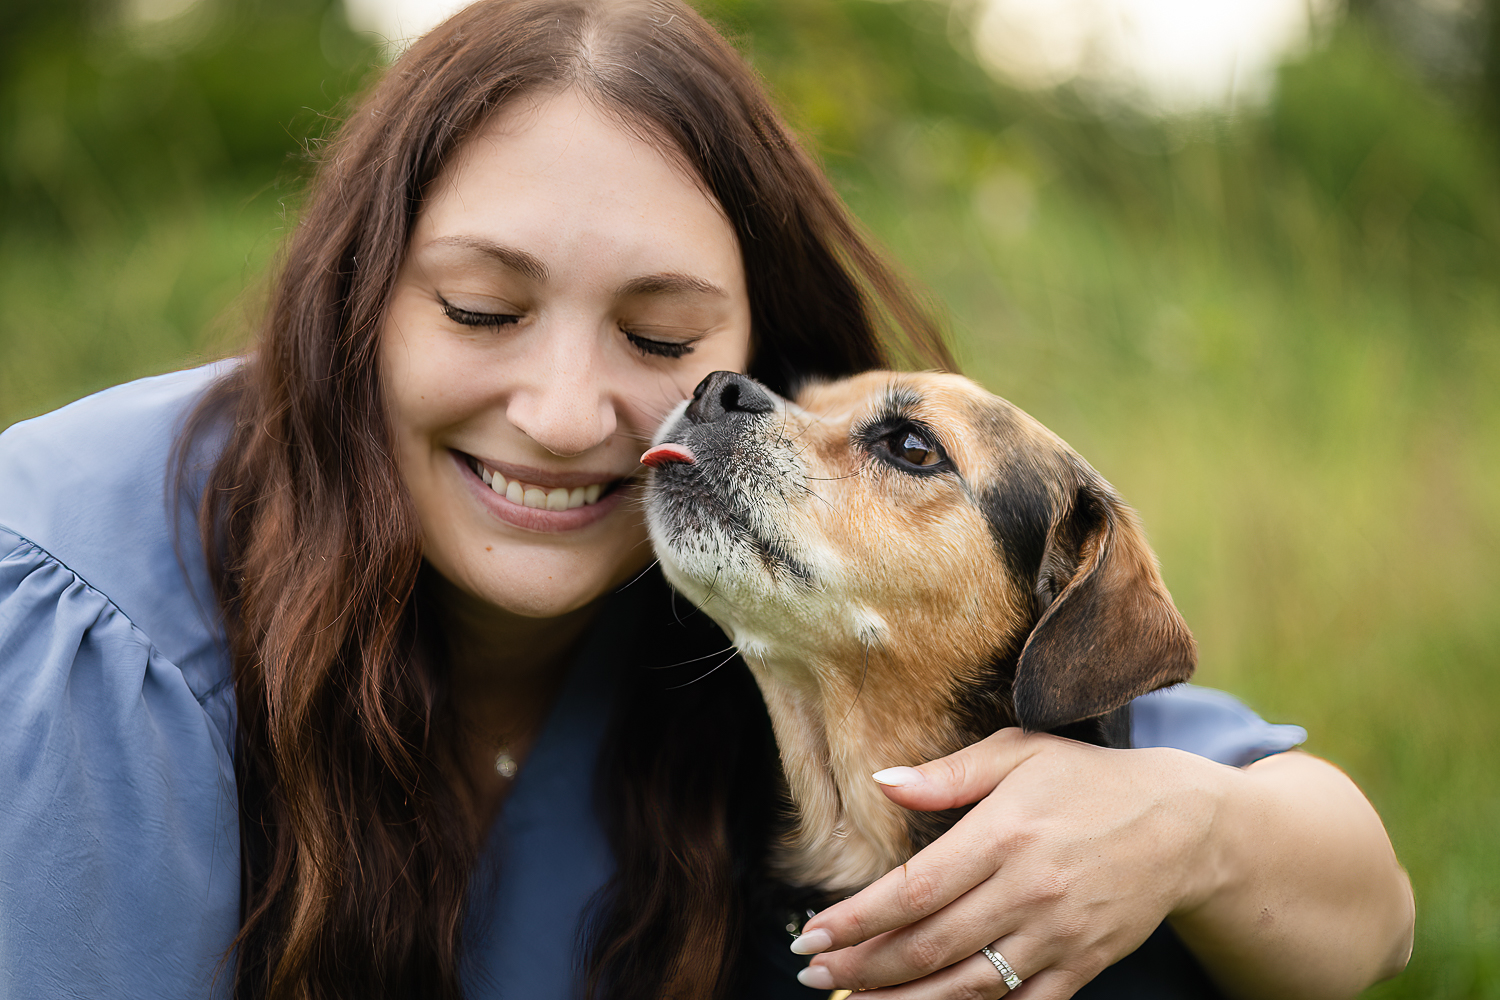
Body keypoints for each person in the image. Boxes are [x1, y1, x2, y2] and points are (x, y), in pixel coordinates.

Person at [0, 1, 1414, 999]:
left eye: (667, 343)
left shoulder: (737, 514)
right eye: (482, 309)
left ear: (751, 346)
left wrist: (1187, 824)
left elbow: (1367, 904)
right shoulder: (83, 619)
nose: (566, 419)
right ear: (354, 305)